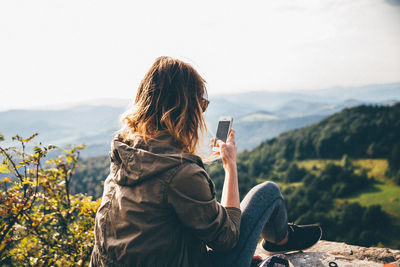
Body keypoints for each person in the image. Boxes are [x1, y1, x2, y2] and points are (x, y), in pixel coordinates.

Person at [89, 56, 321, 267]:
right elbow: (228, 239)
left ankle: (278, 241)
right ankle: (281, 239)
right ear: (186, 109)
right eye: (201, 104)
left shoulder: (124, 156)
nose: (202, 111)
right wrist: (231, 167)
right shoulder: (180, 173)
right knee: (268, 192)